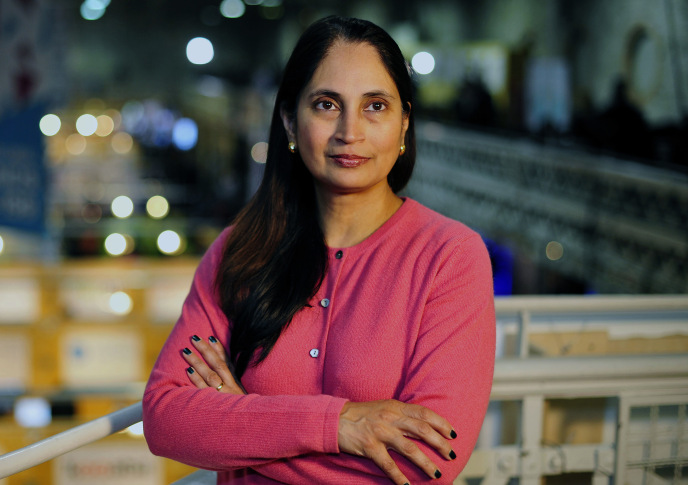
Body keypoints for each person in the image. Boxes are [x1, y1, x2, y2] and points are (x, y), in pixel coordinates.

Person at [143, 16, 495, 485]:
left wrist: (245, 424)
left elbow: (424, 465)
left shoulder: (450, 258)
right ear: (290, 119)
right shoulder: (241, 250)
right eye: (327, 104)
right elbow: (167, 420)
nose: (350, 131)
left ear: (404, 123)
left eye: (376, 106)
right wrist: (340, 426)